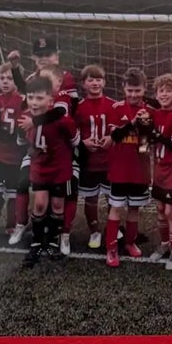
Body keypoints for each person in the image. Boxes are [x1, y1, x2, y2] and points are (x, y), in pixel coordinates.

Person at [19, 74, 78, 266]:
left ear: (50, 100)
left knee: (58, 206)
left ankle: (52, 242)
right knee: (39, 205)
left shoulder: (62, 121)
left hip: (60, 170)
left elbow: (75, 141)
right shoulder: (25, 120)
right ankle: (36, 243)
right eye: (31, 97)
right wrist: (32, 149)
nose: (34, 102)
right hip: (40, 169)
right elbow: (23, 142)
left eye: (39, 98)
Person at [104, 68, 154, 268]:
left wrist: (145, 129)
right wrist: (133, 123)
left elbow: (144, 148)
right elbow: (111, 140)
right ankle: (111, 248)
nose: (133, 95)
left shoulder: (150, 111)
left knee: (134, 209)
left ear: (144, 89)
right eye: (130, 90)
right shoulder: (116, 109)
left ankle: (130, 243)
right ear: (123, 88)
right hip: (119, 170)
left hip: (139, 170)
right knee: (116, 208)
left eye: (137, 90)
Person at [0, 60, 30, 247]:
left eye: (10, 78)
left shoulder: (22, 101)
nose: (5, 82)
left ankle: (12, 224)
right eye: (2, 78)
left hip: (16, 155)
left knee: (13, 194)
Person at [74, 64, 115, 250]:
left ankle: (112, 229)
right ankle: (95, 231)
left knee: (112, 199)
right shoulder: (78, 108)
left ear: (104, 82)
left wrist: (112, 138)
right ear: (83, 84)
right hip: (88, 163)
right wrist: (83, 142)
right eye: (90, 79)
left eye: (98, 79)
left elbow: (119, 129)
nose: (95, 83)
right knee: (90, 199)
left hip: (109, 162)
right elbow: (71, 132)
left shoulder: (113, 104)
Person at [149, 73, 172, 269]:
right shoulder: (155, 114)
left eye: (168, 91)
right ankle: (164, 244)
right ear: (156, 95)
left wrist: (155, 134)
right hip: (158, 169)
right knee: (160, 210)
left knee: (171, 211)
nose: (164, 94)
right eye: (160, 91)